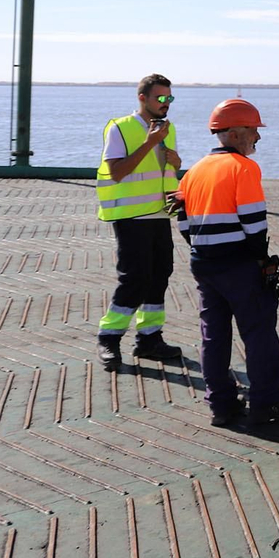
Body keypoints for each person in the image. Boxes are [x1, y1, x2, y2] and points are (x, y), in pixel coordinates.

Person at [175, 98, 279, 428]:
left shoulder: (194, 171)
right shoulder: (244, 168)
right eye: (253, 131)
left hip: (203, 263)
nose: (257, 138)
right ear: (233, 133)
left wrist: (204, 248)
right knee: (259, 334)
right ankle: (266, 404)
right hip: (239, 265)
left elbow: (183, 222)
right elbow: (255, 224)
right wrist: (261, 259)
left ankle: (221, 405)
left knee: (213, 337)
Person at [94, 74, 184, 370]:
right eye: (161, 98)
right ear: (142, 98)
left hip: (160, 214)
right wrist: (150, 143)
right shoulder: (120, 128)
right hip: (131, 216)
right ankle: (109, 337)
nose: (166, 103)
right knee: (135, 278)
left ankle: (149, 339)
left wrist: (175, 162)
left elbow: (163, 171)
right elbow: (117, 172)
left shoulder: (167, 130)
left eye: (169, 98)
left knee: (160, 275)